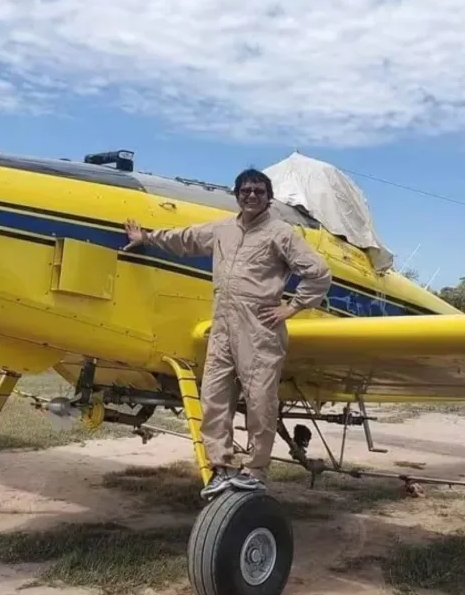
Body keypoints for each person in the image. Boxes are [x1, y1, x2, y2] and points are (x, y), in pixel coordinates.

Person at [123, 168, 331, 500]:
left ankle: (255, 469)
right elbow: (186, 238)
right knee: (214, 398)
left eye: (259, 191)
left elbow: (318, 273)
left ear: (269, 197)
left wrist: (292, 307)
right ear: (237, 195)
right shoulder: (222, 229)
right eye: (245, 190)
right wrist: (146, 238)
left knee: (261, 400)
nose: (252, 196)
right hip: (221, 325)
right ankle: (221, 465)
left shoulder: (281, 233)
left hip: (260, 327)